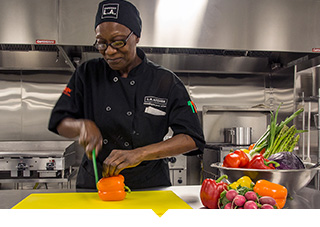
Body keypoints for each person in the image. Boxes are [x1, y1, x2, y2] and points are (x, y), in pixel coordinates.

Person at [48, 0, 205, 190]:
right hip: (96, 185)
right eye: (101, 43)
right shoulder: (87, 73)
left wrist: (140, 153)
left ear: (136, 36)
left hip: (149, 186)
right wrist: (79, 126)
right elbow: (58, 120)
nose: (110, 51)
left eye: (118, 42)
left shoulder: (165, 81)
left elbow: (192, 138)